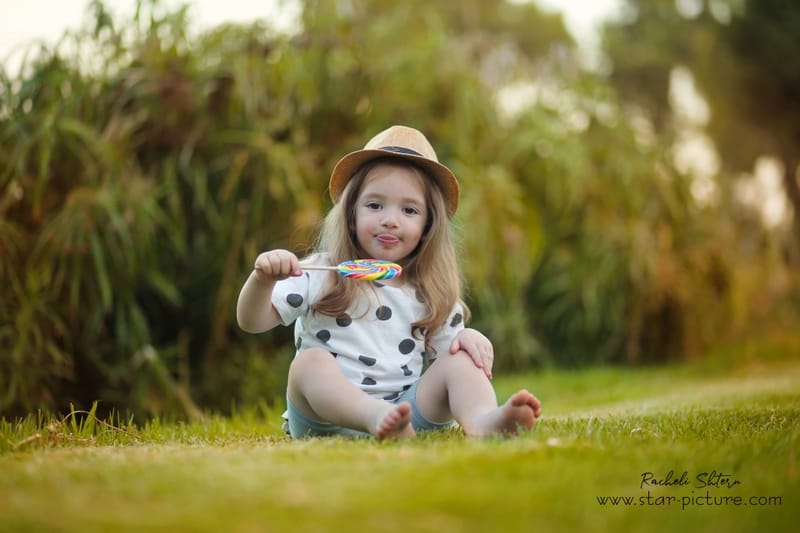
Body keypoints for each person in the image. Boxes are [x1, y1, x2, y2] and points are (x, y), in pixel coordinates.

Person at [236, 125, 541, 439]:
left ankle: (483, 421)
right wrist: (263, 280)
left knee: (460, 360)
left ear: (428, 225)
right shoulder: (321, 272)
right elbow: (252, 321)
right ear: (350, 213)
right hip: (324, 419)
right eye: (374, 205)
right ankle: (374, 417)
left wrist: (471, 340)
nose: (390, 219)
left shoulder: (430, 291)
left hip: (403, 412)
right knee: (308, 364)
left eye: (409, 210)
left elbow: (448, 360)